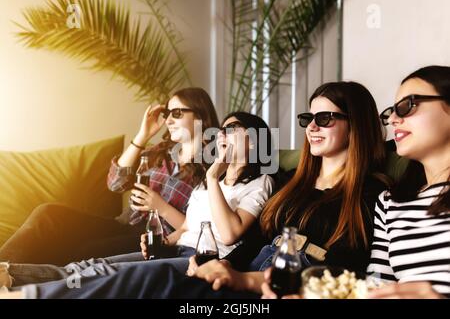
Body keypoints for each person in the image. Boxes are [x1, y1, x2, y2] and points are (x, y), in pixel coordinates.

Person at [4, 81, 390, 299]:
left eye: (325, 118)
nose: (311, 127)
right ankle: (12, 277)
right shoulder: (297, 185)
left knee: (132, 274)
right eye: (308, 118)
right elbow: (118, 185)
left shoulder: (362, 193)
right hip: (222, 257)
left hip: (253, 272)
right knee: (95, 262)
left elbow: (235, 236)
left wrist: (203, 191)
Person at [0, 112, 274, 289]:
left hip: (200, 260)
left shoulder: (260, 183)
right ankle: (9, 274)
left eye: (232, 128)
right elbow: (189, 227)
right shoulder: (203, 179)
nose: (222, 134)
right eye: (222, 130)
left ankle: (24, 293)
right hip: (176, 248)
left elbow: (228, 235)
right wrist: (163, 242)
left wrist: (214, 176)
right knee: (92, 265)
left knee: (103, 274)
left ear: (254, 141)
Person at [0, 87, 220, 266]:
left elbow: (200, 225)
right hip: (123, 223)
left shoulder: (212, 167)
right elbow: (115, 183)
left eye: (177, 113)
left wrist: (160, 206)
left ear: (199, 114)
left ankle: (15, 280)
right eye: (168, 113)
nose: (169, 120)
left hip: (152, 239)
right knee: (48, 213)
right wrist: (143, 135)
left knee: (80, 250)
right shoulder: (160, 152)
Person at [366, 65, 450, 299]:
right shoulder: (389, 202)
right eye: (391, 111)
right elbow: (377, 285)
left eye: (407, 106)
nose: (392, 119)